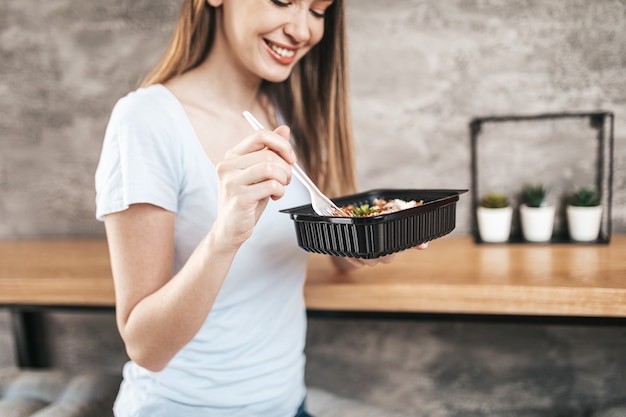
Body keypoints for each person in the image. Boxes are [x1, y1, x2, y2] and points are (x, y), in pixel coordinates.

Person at [95, 0, 424, 416]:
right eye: (283, 1)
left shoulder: (292, 113)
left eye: (318, 11)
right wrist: (224, 236)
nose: (303, 30)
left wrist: (370, 236)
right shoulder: (145, 120)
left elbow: (338, 252)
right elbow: (145, 347)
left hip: (287, 403)